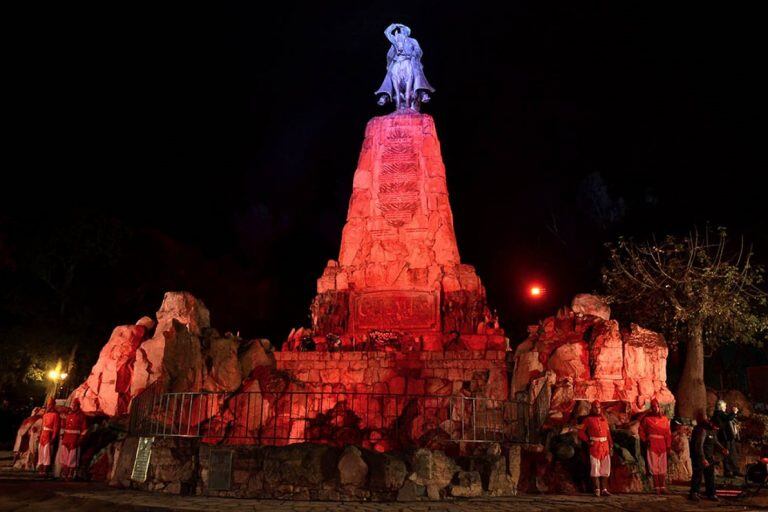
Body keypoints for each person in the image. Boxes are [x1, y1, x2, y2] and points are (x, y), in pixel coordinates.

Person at [689, 411, 728, 501]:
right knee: (698, 475)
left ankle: (711, 493)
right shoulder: (703, 430)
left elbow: (715, 441)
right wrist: (702, 458)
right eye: (716, 426)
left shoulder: (713, 430)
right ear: (711, 423)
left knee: (710, 476)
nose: (717, 428)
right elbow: (699, 445)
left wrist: (722, 449)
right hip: (700, 457)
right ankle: (694, 492)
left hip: (709, 457)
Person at [578, 400, 613, 497]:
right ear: (592, 409)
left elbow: (608, 433)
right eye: (595, 407)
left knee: (606, 468)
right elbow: (580, 432)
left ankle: (604, 490)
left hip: (605, 446)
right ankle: (597, 489)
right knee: (595, 468)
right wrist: (588, 441)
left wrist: (611, 444)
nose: (597, 409)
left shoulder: (604, 419)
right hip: (595, 446)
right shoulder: (587, 420)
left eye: (598, 407)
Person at [639, 398, 672, 494]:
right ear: (651, 408)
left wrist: (668, 446)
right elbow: (641, 430)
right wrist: (645, 439)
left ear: (659, 407)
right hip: (652, 444)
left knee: (662, 466)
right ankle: (656, 487)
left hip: (662, 444)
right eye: (653, 407)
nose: (655, 408)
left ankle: (662, 487)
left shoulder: (665, 419)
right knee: (654, 466)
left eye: (657, 406)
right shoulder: (647, 419)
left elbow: (668, 434)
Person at [57, 398, 87, 480]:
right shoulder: (69, 415)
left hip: (75, 439)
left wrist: (80, 439)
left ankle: (70, 474)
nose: (73, 406)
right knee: (64, 457)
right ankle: (64, 474)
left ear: (78, 406)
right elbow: (65, 426)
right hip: (66, 438)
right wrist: (62, 434)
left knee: (72, 458)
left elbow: (84, 430)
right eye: (72, 405)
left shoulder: (81, 416)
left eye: (75, 405)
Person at [711, 400, 741, 477]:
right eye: (724, 406)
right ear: (721, 406)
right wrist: (734, 412)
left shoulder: (721, 413)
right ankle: (728, 472)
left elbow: (729, 418)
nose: (725, 407)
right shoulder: (718, 413)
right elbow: (728, 418)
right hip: (725, 437)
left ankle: (735, 470)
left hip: (729, 437)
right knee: (727, 454)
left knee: (733, 454)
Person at [36, 398, 60, 476]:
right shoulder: (45, 415)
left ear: (53, 405)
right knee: (41, 453)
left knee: (47, 454)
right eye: (47, 405)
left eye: (49, 405)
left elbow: (56, 427)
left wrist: (53, 437)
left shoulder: (55, 415)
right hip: (43, 435)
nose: (48, 406)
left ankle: (45, 471)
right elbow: (42, 426)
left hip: (48, 436)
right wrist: (39, 436)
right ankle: (41, 469)